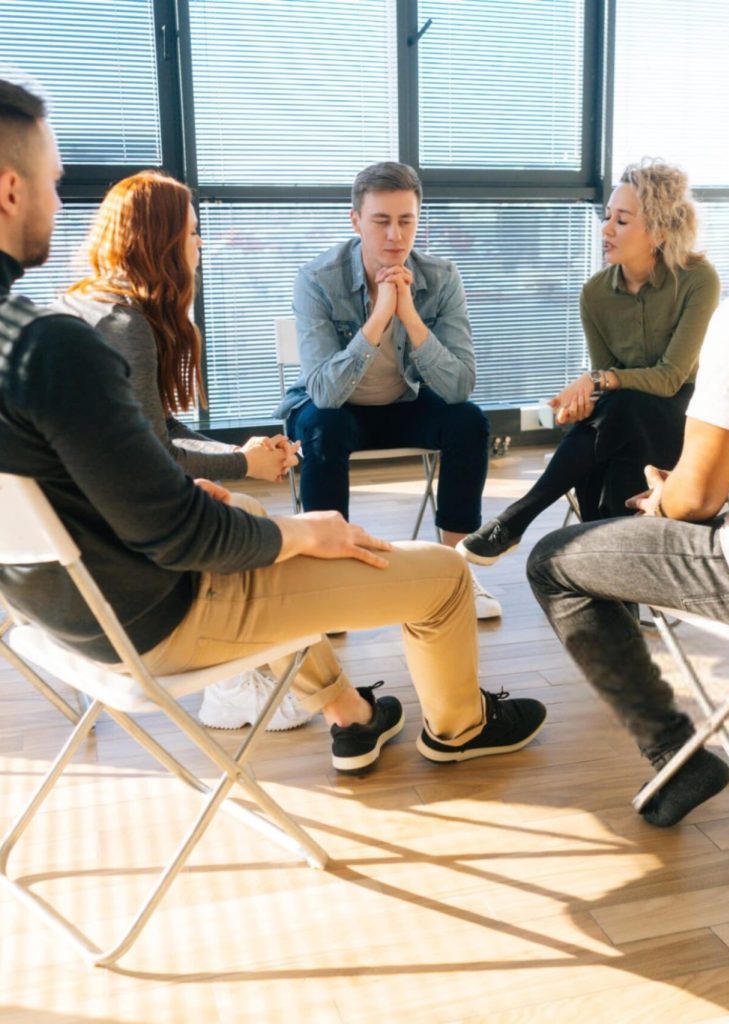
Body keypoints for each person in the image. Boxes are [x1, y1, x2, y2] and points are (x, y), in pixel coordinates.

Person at [0, 79, 546, 777]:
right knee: (442, 576)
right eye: (54, 181)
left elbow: (128, 472)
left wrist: (234, 492)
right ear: (11, 190)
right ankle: (461, 729)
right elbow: (176, 531)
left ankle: (350, 716)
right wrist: (303, 533)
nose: (59, 200)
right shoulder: (61, 345)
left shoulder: (45, 332)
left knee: (267, 512)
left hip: (64, 625)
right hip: (154, 618)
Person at [526, 118, 729, 828]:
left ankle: (674, 752)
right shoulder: (607, 292)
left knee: (556, 563)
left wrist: (664, 499)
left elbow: (696, 499)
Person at [54, 170, 309, 733]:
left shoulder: (85, 304)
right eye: (192, 233)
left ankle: (254, 684)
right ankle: (238, 686)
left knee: (240, 510)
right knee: (253, 524)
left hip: (74, 527)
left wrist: (236, 451)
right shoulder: (127, 325)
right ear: (163, 241)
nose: (200, 245)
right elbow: (156, 456)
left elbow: (158, 425)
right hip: (116, 541)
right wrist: (246, 464)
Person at [458, 160, 720, 566]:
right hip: (624, 423)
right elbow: (608, 387)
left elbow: (670, 379)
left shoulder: (698, 279)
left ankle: (517, 520)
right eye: (607, 216)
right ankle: (616, 585)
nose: (606, 229)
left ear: (659, 231)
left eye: (622, 220)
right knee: (616, 429)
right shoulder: (595, 294)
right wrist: (586, 399)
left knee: (623, 412)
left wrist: (600, 381)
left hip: (682, 419)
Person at [277, 161, 501, 619]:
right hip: (334, 410)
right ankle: (327, 580)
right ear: (356, 220)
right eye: (381, 221)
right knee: (323, 427)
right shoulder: (318, 279)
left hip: (402, 405)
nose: (395, 235)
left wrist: (411, 318)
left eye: (406, 220)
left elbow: (458, 387)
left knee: (469, 422)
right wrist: (379, 317)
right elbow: (323, 392)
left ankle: (459, 571)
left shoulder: (440, 278)